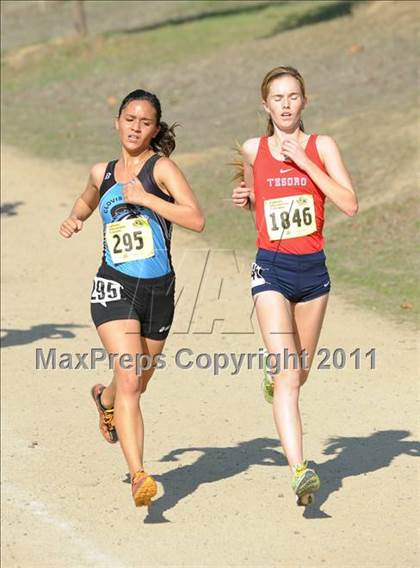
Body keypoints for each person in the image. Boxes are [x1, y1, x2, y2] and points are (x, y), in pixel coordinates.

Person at [59, 89, 205, 507]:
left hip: (159, 291)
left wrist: (146, 198)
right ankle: (139, 474)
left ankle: (103, 401)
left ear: (155, 129)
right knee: (129, 379)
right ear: (117, 122)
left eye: (145, 122)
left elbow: (196, 218)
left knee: (135, 383)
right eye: (129, 118)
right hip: (114, 287)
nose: (135, 127)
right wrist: (75, 218)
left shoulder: (162, 170)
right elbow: (88, 199)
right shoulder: (101, 172)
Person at [231, 66, 358, 505]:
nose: (285, 105)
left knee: (297, 373)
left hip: (314, 274)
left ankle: (276, 377)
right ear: (265, 106)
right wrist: (247, 199)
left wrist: (304, 162)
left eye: (293, 97)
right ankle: (300, 470)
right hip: (271, 270)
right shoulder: (254, 148)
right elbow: (259, 208)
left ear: (305, 101)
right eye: (277, 98)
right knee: (289, 373)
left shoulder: (322, 145)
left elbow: (349, 204)